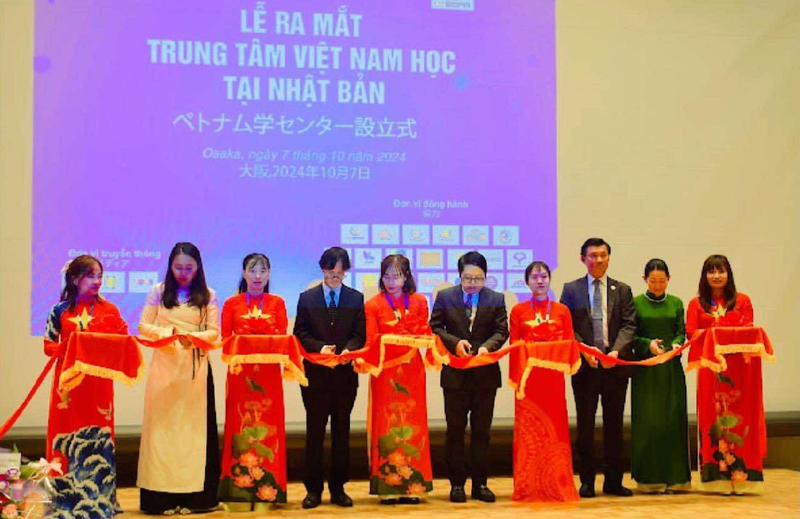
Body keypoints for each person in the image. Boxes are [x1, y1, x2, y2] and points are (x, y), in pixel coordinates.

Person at [137, 242, 221, 515]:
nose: (183, 273)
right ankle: (159, 499)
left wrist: (192, 337)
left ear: (198, 267)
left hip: (194, 372)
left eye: (189, 267)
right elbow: (143, 326)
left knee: (193, 434)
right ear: (170, 266)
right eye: (178, 267)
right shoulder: (158, 293)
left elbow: (214, 333)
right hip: (164, 369)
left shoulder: (208, 295)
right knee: (162, 434)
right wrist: (169, 332)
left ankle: (195, 499)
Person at [44, 255, 128, 519]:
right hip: (68, 385)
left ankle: (101, 501)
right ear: (74, 279)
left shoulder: (110, 310)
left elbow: (123, 339)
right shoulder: (60, 311)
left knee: (99, 436)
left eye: (100, 276)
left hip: (98, 384)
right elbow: (48, 346)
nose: (97, 281)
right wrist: (72, 348)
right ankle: (62, 502)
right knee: (65, 435)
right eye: (90, 276)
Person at [430, 251, 508, 503]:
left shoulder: (496, 299)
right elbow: (435, 327)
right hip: (454, 376)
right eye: (468, 277)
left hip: (485, 375)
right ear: (459, 275)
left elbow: (501, 330)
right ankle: (456, 485)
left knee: (482, 432)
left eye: (478, 277)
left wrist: (487, 348)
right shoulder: (445, 296)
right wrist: (455, 343)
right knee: (455, 431)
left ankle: (480, 484)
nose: (472, 282)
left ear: (486, 277)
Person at [560, 237, 636, 498]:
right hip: (585, 368)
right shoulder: (571, 290)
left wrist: (615, 352)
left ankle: (614, 481)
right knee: (585, 426)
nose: (598, 260)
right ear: (583, 259)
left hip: (615, 368)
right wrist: (585, 351)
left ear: (609, 257)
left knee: (615, 425)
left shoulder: (622, 289)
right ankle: (587, 481)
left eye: (603, 255)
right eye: (593, 255)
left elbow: (629, 325)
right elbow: (565, 326)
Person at [686, 254, 765, 495]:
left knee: (740, 421)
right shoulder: (696, 304)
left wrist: (716, 330)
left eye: (721, 271)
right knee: (714, 421)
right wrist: (717, 331)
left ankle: (743, 480)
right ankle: (716, 479)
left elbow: (748, 330)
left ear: (728, 274)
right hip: (711, 371)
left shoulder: (742, 300)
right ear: (705, 276)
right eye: (711, 271)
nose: (716, 276)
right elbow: (691, 332)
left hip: (739, 373)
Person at [293, 247, 366, 509]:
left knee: (341, 432)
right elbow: (299, 333)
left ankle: (338, 488)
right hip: (315, 375)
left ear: (345, 271)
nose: (334, 277)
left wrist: (350, 349)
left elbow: (360, 334)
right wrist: (318, 348)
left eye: (339, 273)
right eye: (330, 272)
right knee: (314, 432)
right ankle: (313, 489)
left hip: (345, 376)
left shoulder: (356, 298)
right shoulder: (307, 298)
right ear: (322, 270)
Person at [218, 253, 289, 509]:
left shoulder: (278, 303)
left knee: (268, 429)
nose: (257, 276)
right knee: (241, 426)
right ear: (244, 273)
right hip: (241, 376)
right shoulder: (231, 303)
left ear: (269, 274)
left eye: (262, 271)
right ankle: (238, 490)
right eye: (252, 270)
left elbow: (282, 337)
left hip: (268, 376)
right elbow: (225, 340)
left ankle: (266, 492)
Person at [364, 254, 433, 504]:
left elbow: (425, 333)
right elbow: (372, 341)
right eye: (387, 276)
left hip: (413, 371)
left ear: (406, 277)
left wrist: (409, 336)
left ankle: (412, 485)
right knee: (388, 424)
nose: (391, 281)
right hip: (385, 373)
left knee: (412, 424)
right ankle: (388, 485)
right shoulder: (373, 305)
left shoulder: (419, 301)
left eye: (397, 275)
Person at [508, 261, 579, 502]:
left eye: (544, 276)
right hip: (529, 381)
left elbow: (570, 344)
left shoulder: (562, 310)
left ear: (550, 279)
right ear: (527, 282)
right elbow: (515, 345)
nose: (540, 281)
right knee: (529, 434)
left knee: (555, 430)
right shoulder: (518, 311)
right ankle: (528, 487)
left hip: (553, 381)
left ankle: (557, 486)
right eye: (535, 277)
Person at [630, 259, 691, 493]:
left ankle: (676, 479)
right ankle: (649, 479)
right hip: (646, 370)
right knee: (649, 422)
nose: (657, 285)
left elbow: (680, 331)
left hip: (671, 370)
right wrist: (648, 345)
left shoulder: (676, 303)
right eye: (653, 281)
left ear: (669, 279)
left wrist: (676, 345)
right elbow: (630, 335)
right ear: (644, 279)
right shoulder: (635, 303)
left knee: (673, 419)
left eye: (662, 281)